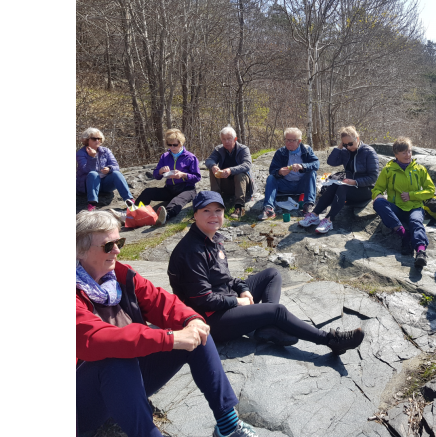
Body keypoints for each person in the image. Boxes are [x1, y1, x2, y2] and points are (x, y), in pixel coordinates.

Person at [76, 210, 259, 437]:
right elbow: (96, 339)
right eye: (108, 246)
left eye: (119, 241)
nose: (117, 250)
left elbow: (162, 301)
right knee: (113, 360)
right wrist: (169, 338)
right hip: (82, 403)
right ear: (80, 250)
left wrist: (191, 320)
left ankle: (228, 425)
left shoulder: (121, 277)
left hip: (127, 384)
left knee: (197, 333)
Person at [167, 191, 365, 354]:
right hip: (208, 320)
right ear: (195, 215)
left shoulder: (212, 238)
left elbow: (225, 278)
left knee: (272, 274)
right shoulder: (192, 251)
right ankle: (330, 340)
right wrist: (239, 301)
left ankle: (268, 326)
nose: (213, 215)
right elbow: (202, 299)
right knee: (277, 311)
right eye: (206, 211)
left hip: (223, 300)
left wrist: (243, 290)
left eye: (218, 210)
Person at [299, 126, 379, 233]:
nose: (348, 147)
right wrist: (339, 148)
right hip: (350, 187)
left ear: (357, 138)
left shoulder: (369, 152)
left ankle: (329, 220)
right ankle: (314, 215)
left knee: (342, 187)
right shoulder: (345, 151)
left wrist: (355, 182)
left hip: (366, 189)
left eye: (350, 144)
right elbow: (331, 162)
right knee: (334, 185)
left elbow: (373, 177)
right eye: (345, 144)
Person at [371, 137, 435, 269]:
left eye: (409, 151)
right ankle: (404, 235)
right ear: (396, 154)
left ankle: (421, 252)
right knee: (378, 203)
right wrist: (379, 196)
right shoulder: (388, 170)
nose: (408, 155)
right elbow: (377, 189)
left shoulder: (419, 169)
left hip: (415, 207)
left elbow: (430, 191)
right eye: (404, 153)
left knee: (416, 222)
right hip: (397, 208)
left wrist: (411, 195)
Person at [136, 128, 201, 225]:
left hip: (187, 189)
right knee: (147, 192)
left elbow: (197, 177)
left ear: (181, 143)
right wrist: (161, 171)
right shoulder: (165, 156)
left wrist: (183, 175)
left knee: (176, 201)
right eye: (170, 145)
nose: (172, 147)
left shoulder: (190, 157)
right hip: (169, 189)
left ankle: (165, 217)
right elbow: (156, 175)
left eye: (175, 144)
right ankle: (134, 212)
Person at [258, 127, 319, 220]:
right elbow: (272, 170)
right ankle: (268, 208)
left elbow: (316, 164)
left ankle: (308, 205)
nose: (288, 143)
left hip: (302, 185)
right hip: (285, 184)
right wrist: (279, 172)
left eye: (291, 140)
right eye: (286, 140)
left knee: (312, 173)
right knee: (271, 178)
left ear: (299, 141)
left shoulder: (306, 150)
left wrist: (303, 166)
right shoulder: (281, 152)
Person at [76, 127, 134, 218]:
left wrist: (109, 169)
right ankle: (92, 205)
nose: (97, 141)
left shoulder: (105, 151)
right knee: (93, 174)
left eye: (99, 139)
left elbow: (116, 166)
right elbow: (85, 170)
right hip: (89, 186)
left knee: (116, 174)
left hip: (105, 185)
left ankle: (130, 202)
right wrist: (92, 157)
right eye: (94, 139)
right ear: (87, 140)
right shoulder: (81, 153)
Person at [204, 125, 256, 219]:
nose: (226, 141)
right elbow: (209, 160)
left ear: (235, 139)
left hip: (242, 184)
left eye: (229, 139)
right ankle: (216, 202)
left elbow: (247, 165)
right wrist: (214, 166)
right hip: (226, 183)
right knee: (213, 170)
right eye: (224, 139)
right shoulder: (218, 149)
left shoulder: (243, 149)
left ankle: (239, 207)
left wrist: (230, 170)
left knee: (239, 174)